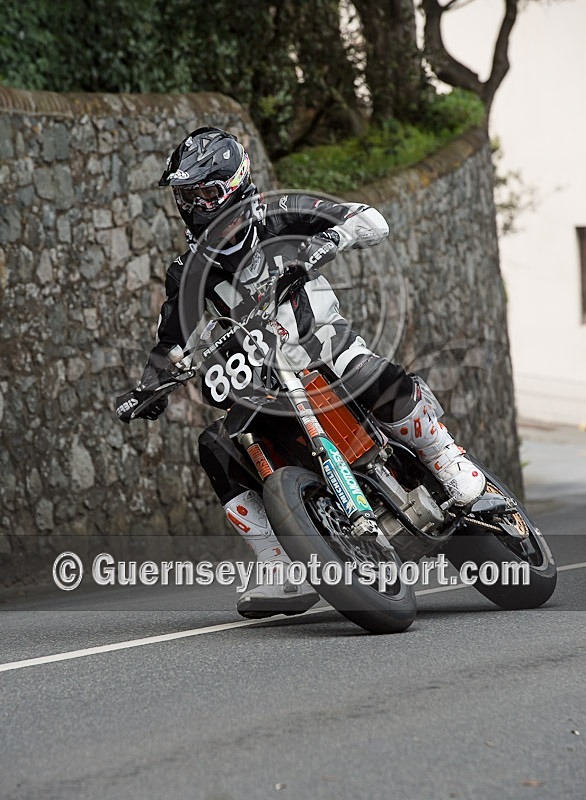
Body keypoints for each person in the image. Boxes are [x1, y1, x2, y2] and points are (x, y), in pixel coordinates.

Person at [116, 127, 485, 619]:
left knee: (366, 373)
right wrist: (150, 385)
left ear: (235, 184)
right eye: (188, 195)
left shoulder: (278, 212)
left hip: (323, 348)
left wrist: (326, 241)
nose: (197, 204)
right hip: (264, 378)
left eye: (207, 191)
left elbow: (371, 220)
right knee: (216, 445)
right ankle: (279, 563)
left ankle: (445, 456)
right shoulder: (188, 270)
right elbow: (171, 337)